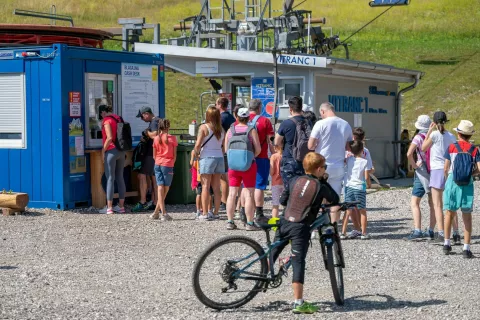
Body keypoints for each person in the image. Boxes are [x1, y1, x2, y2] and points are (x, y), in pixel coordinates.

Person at [271, 152, 339, 314]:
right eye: (324, 167)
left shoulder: (295, 180)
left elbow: (282, 201)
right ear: (318, 169)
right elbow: (334, 199)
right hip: (299, 227)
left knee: (273, 250)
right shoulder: (320, 185)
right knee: (298, 261)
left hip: (285, 221)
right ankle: (298, 302)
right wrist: (324, 181)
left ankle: (264, 275)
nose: (325, 169)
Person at [308, 102, 353, 223]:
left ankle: (316, 227)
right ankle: (333, 227)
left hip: (321, 166)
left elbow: (310, 145)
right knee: (335, 198)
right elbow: (349, 147)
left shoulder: (320, 124)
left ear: (323, 111)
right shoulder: (345, 124)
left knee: (318, 196)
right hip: (338, 166)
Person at [443, 120, 480, 259]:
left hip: (452, 181)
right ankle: (466, 248)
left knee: (449, 213)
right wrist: (471, 173)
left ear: (458, 133)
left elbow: (446, 168)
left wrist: (448, 178)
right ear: (470, 135)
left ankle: (447, 244)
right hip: (467, 183)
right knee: (467, 215)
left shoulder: (452, 147)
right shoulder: (475, 149)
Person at [421, 111, 460, 243]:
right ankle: (456, 233)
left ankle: (442, 232)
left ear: (434, 122)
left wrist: (429, 130)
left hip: (437, 169)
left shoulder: (434, 134)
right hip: (450, 170)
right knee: (451, 204)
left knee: (437, 204)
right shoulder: (451, 136)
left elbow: (423, 148)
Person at [225, 107, 262, 231]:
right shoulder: (251, 130)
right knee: (249, 194)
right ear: (248, 118)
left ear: (237, 117)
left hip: (233, 167)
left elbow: (226, 149)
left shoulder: (230, 131)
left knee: (232, 193)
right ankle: (249, 223)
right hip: (248, 165)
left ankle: (230, 222)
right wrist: (250, 157)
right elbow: (258, 149)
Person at [404, 115, 436, 241]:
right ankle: (431, 230)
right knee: (433, 203)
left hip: (421, 171)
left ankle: (417, 230)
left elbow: (409, 153)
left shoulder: (418, 137)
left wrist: (414, 166)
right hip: (432, 170)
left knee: (415, 202)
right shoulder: (434, 136)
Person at [341, 127, 374, 239]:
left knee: (349, 209)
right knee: (362, 210)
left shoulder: (348, 156)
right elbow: (368, 171)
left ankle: (345, 231)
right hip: (360, 186)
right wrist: (369, 182)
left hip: (348, 184)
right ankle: (363, 232)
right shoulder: (365, 155)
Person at [245, 99, 275, 222]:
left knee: (246, 186)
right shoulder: (265, 121)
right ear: (259, 108)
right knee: (259, 186)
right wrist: (274, 154)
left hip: (245, 157)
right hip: (261, 157)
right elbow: (270, 140)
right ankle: (259, 212)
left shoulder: (242, 120)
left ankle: (243, 211)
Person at [193, 106, 224, 220]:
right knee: (216, 188)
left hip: (207, 157)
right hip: (219, 157)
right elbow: (223, 147)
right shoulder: (221, 129)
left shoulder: (204, 127)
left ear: (208, 115)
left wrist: (196, 154)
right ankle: (215, 212)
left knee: (205, 186)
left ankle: (205, 213)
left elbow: (197, 145)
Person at [274, 96, 308, 186]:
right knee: (303, 188)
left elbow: (276, 142)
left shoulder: (286, 123)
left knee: (289, 188)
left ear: (290, 108)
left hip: (290, 159)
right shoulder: (308, 122)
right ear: (301, 107)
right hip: (306, 159)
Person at [99, 105, 126, 214]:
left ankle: (109, 207)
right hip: (121, 151)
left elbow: (109, 137)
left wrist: (103, 150)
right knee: (120, 177)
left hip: (111, 151)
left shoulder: (107, 120)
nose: (101, 115)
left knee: (110, 178)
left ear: (103, 112)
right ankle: (121, 206)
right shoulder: (118, 118)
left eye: (101, 113)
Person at [132, 106, 158, 212]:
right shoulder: (158, 121)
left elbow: (155, 135)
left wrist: (147, 133)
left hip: (151, 154)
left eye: (142, 117)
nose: (142, 119)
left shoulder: (154, 122)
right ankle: (156, 202)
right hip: (155, 154)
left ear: (146, 114)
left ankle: (143, 202)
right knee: (154, 178)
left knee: (142, 176)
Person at [150, 119, 177, 221]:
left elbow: (154, 155)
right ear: (168, 127)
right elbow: (174, 155)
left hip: (157, 163)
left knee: (160, 187)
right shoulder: (172, 138)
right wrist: (171, 163)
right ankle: (163, 213)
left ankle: (156, 212)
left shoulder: (156, 138)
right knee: (165, 189)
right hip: (168, 164)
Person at [216, 97, 236, 211]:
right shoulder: (232, 118)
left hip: (222, 149)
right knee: (227, 176)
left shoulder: (221, 119)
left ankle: (224, 201)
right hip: (231, 149)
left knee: (223, 177)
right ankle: (227, 199)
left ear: (219, 105)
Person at [190, 151, 214, 218]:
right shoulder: (207, 151)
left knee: (199, 193)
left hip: (198, 176)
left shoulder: (194, 151)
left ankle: (198, 210)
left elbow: (191, 163)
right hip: (206, 176)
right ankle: (209, 210)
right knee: (209, 193)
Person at [270, 143, 284, 218]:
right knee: (286, 203)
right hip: (285, 182)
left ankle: (274, 223)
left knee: (275, 205)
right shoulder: (285, 155)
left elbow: (272, 172)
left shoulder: (274, 156)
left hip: (275, 182)